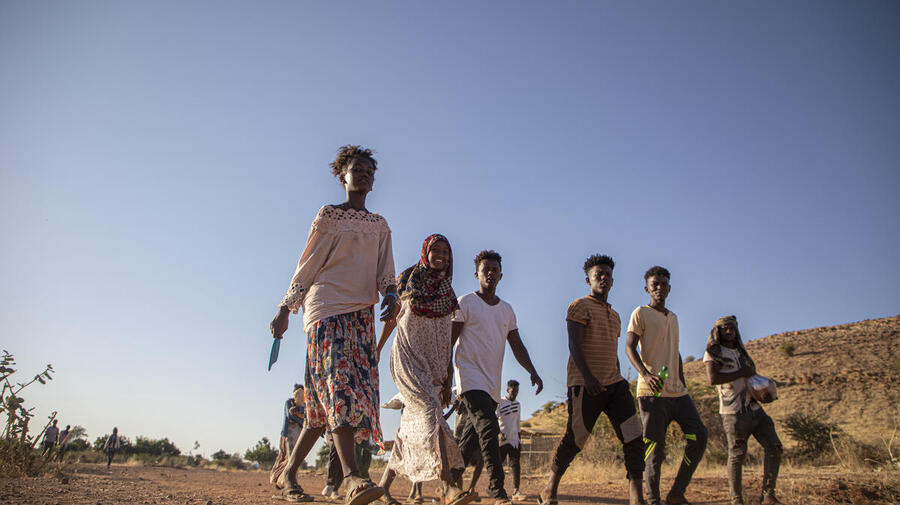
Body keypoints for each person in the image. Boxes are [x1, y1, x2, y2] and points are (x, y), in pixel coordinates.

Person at [270, 145, 397, 504]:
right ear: (343, 175)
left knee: (323, 409)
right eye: (357, 169)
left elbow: (386, 273)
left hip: (361, 316)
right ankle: (353, 477)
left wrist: (390, 295)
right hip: (325, 311)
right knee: (339, 389)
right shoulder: (329, 216)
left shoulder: (380, 226)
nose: (364, 175)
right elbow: (307, 264)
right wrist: (286, 307)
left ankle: (288, 473)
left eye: (370, 171)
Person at [377, 234, 476, 505]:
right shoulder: (407, 280)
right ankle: (449, 486)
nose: (441, 255)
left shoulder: (447, 292)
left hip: (434, 364)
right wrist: (378, 348)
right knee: (430, 413)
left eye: (446, 251)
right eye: (436, 250)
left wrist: (446, 379)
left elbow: (447, 338)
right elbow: (394, 319)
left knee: (413, 422)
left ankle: (383, 488)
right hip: (407, 359)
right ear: (425, 252)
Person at [540, 255, 645, 505]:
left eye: (607, 274)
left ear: (612, 280)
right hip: (584, 385)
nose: (603, 278)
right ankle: (549, 489)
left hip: (614, 384)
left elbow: (612, 351)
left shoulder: (616, 316)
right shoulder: (579, 306)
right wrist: (589, 378)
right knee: (575, 439)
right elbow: (573, 345)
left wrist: (619, 377)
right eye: (598, 274)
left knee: (633, 436)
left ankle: (636, 497)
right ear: (588, 279)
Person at [452, 250, 543, 505]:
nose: (490, 273)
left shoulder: (507, 310)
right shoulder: (465, 302)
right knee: (490, 428)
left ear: (501, 275)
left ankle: (447, 485)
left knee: (467, 444)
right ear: (476, 274)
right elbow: (450, 339)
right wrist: (445, 372)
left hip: (491, 385)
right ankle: (497, 491)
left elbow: (517, 345)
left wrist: (532, 371)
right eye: (485, 269)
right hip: (469, 379)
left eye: (495, 269)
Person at [625, 266, 707, 505]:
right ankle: (653, 499)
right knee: (654, 449)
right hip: (652, 393)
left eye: (663, 284)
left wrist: (682, 378)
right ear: (647, 288)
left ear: (669, 287)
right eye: (655, 284)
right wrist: (644, 373)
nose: (659, 288)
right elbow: (629, 346)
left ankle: (677, 492)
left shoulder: (673, 317)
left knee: (699, 436)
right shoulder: (640, 313)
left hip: (678, 393)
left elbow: (675, 351)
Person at [704, 316, 784, 505]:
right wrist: (741, 373)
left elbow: (750, 376)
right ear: (718, 331)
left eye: (733, 328)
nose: (730, 332)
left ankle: (768, 495)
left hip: (754, 407)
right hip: (733, 412)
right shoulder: (714, 352)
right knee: (737, 454)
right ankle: (736, 499)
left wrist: (764, 391)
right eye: (725, 329)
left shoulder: (740, 351)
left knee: (774, 446)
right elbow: (712, 379)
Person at [271, 384, 306, 489]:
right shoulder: (289, 403)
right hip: (289, 433)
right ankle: (285, 481)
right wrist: (302, 419)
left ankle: (287, 481)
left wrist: (299, 412)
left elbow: (304, 414)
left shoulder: (304, 405)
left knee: (296, 458)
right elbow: (290, 415)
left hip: (299, 433)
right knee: (289, 457)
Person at [497, 381, 524, 501]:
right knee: (498, 465)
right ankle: (497, 489)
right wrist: (498, 433)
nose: (515, 394)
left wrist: (519, 439)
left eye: (517, 391)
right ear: (508, 390)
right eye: (513, 391)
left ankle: (516, 490)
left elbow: (518, 422)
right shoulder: (500, 402)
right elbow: (494, 419)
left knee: (515, 465)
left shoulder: (518, 404)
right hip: (502, 439)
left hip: (514, 440)